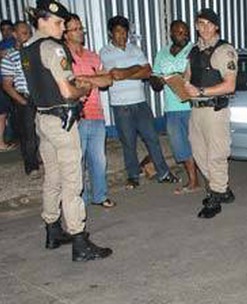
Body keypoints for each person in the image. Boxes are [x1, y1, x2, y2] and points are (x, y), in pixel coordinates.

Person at [21, 0, 112, 261]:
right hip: (63, 121)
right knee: (73, 181)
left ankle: (52, 229)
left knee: (53, 176)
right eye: (59, 23)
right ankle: (79, 240)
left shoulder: (27, 48)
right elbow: (68, 91)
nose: (63, 28)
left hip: (43, 118)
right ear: (43, 21)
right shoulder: (53, 49)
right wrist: (84, 89)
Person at [99, 15, 179, 189]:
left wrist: (126, 72)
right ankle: (133, 176)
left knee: (152, 138)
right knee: (129, 142)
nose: (122, 36)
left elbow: (147, 72)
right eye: (118, 32)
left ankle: (163, 173)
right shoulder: (105, 52)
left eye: (124, 32)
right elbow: (113, 75)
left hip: (141, 103)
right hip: (121, 106)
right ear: (110, 33)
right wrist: (136, 69)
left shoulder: (135, 49)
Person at [184, 8, 237, 219]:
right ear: (196, 26)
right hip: (196, 111)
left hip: (215, 110)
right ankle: (222, 189)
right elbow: (187, 76)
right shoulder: (194, 51)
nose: (204, 28)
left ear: (216, 26)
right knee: (199, 154)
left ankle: (215, 196)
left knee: (216, 154)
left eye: (208, 24)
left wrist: (202, 91)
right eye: (200, 23)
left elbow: (230, 85)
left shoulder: (224, 51)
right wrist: (178, 83)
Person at [64, 13, 115, 209]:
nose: (80, 32)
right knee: (78, 161)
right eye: (75, 29)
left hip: (96, 115)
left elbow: (108, 80)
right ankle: (80, 200)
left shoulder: (93, 55)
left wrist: (87, 78)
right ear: (66, 34)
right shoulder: (64, 56)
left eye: (80, 27)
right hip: (77, 116)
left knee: (99, 161)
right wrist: (94, 78)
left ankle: (100, 196)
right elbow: (72, 83)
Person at [150, 20, 199, 195]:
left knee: (199, 145)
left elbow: (200, 77)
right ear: (171, 33)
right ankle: (193, 181)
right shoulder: (162, 53)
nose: (183, 35)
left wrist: (181, 77)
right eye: (179, 32)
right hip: (172, 108)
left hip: (192, 106)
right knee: (181, 146)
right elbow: (154, 82)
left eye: (186, 32)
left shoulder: (194, 50)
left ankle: (212, 181)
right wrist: (160, 79)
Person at [1, 21, 41, 177]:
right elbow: (7, 84)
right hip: (24, 97)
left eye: (29, 33)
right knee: (28, 134)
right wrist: (22, 101)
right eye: (24, 33)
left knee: (43, 132)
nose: (28, 36)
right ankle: (32, 167)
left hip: (39, 97)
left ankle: (40, 159)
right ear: (15, 35)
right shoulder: (10, 56)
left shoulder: (35, 52)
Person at [0, 20, 16, 151]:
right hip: (4, 84)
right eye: (3, 29)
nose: (5, 32)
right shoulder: (2, 45)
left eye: (8, 29)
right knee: (3, 113)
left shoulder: (16, 42)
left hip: (16, 84)